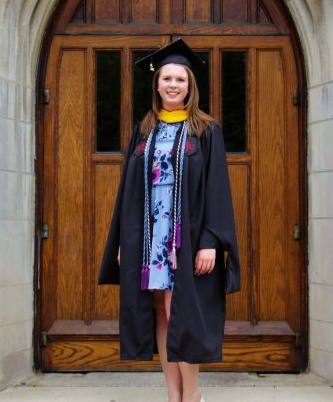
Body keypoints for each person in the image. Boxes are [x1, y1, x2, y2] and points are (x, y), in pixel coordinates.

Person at [98, 39, 240, 402]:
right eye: (167, 79)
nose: (173, 85)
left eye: (180, 79)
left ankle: (191, 396)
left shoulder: (206, 131)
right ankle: (172, 393)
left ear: (190, 86)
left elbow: (217, 188)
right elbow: (127, 192)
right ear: (156, 84)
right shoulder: (144, 130)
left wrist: (211, 240)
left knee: (182, 314)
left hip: (188, 239)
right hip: (150, 238)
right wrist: (122, 244)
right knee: (160, 310)